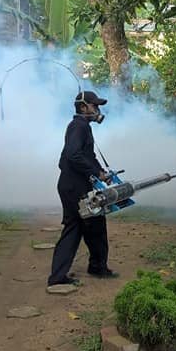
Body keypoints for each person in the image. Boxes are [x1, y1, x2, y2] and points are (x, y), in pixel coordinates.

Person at [47, 91, 119, 287]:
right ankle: (92, 268)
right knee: (88, 225)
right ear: (83, 107)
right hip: (75, 187)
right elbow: (73, 155)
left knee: (84, 226)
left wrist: (101, 172)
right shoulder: (79, 126)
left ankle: (85, 269)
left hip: (72, 185)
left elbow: (87, 156)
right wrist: (94, 173)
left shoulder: (82, 126)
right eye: (94, 106)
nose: (97, 110)